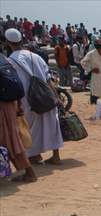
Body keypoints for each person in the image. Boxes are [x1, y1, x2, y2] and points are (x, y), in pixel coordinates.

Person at [6, 28, 63, 166]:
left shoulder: (10, 61)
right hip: (45, 94)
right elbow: (48, 78)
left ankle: (34, 156)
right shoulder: (35, 56)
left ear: (7, 43)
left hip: (27, 99)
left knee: (29, 128)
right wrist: (56, 97)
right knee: (51, 124)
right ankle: (55, 156)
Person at [0, 53, 36, 182]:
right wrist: (19, 104)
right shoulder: (3, 58)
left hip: (3, 105)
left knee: (10, 139)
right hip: (11, 102)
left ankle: (30, 172)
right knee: (10, 138)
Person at [80, 38, 101, 105]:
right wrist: (91, 69)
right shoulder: (91, 54)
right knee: (97, 94)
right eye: (96, 45)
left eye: (99, 44)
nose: (98, 47)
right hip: (96, 77)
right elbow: (83, 62)